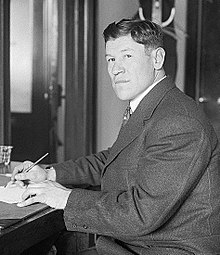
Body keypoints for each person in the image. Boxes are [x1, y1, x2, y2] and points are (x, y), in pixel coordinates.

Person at [10, 18, 220, 255]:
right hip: (135, 244)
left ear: (157, 59)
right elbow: (115, 159)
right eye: (111, 59)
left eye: (127, 56)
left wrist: (65, 197)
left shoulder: (178, 121)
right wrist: (50, 173)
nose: (115, 69)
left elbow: (141, 214)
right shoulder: (152, 105)